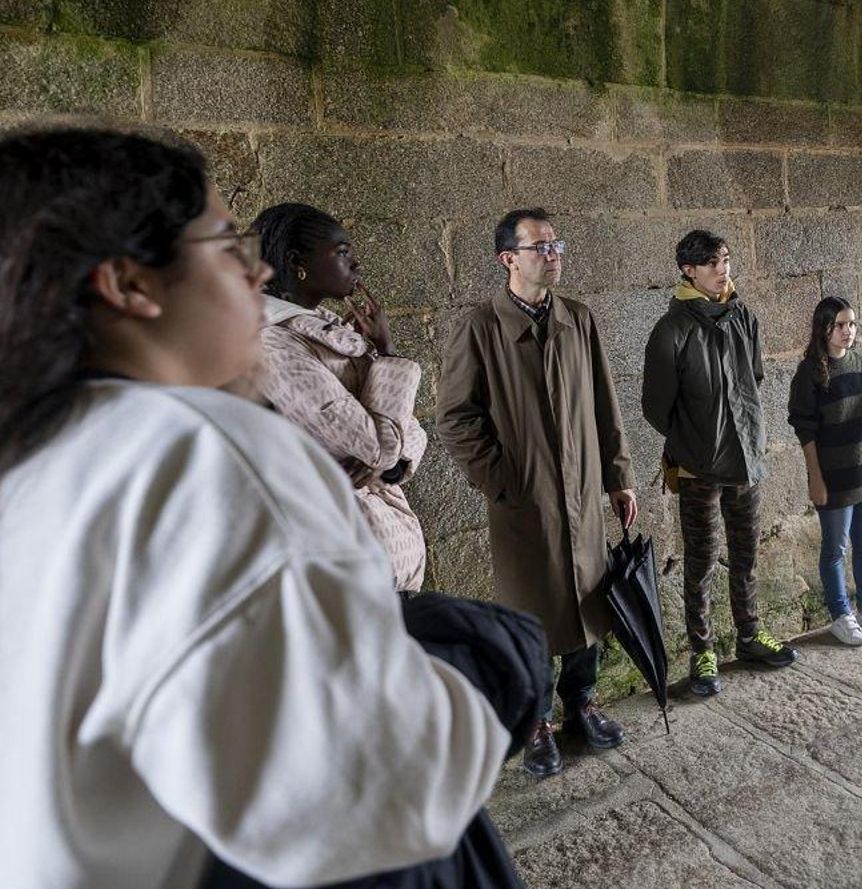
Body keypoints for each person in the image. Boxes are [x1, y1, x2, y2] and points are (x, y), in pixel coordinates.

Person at [0, 129, 519, 889]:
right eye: (228, 245)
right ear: (129, 284)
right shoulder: (199, 453)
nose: (256, 271)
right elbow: (385, 794)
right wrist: (498, 668)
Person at [435, 208, 637, 779]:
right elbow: (454, 418)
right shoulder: (480, 327)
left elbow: (604, 401)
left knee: (589, 599)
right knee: (533, 611)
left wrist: (617, 475)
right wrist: (502, 482)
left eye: (556, 245)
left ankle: (583, 703)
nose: (553, 255)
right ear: (509, 259)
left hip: (582, 493)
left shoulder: (578, 318)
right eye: (540, 247)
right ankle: (536, 722)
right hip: (525, 501)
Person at [641, 229, 798, 699]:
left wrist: (744, 434)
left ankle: (749, 636)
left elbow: (754, 378)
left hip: (746, 459)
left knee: (746, 553)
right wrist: (693, 444)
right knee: (702, 560)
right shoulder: (672, 329)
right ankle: (703, 651)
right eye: (711, 262)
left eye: (725, 259)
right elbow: (655, 406)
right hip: (698, 468)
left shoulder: (743, 317)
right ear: (688, 270)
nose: (722, 269)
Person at [249, 202, 429, 593]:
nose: (357, 263)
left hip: (383, 552)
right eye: (342, 252)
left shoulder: (332, 336)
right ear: (298, 263)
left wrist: (393, 468)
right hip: (347, 562)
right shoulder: (275, 344)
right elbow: (378, 443)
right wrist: (390, 357)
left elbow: (411, 432)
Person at [787, 296, 862, 647]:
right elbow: (805, 431)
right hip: (834, 477)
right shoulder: (810, 374)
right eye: (839, 325)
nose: (847, 331)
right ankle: (840, 614)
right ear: (824, 329)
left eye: (851, 324)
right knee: (835, 548)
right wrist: (815, 478)